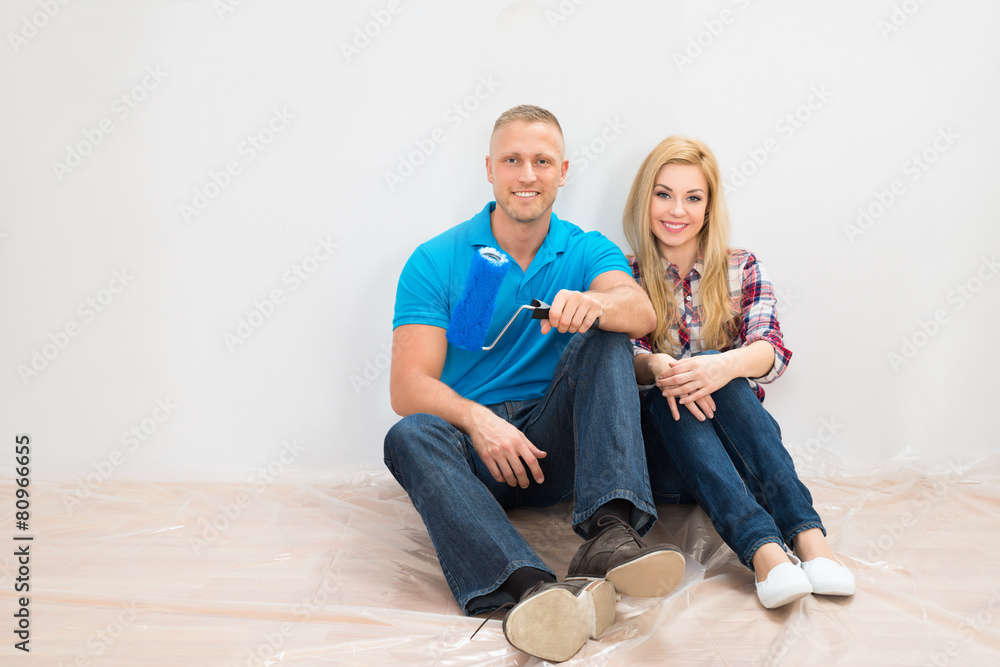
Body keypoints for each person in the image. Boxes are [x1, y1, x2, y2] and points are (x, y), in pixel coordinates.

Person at [384, 105, 685, 662]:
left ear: (563, 171)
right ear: (490, 169)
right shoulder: (439, 259)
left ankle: (608, 534)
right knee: (407, 435)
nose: (527, 175)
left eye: (541, 161)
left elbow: (641, 313)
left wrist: (595, 304)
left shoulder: (585, 247)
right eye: (513, 160)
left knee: (607, 334)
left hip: (556, 444)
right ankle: (532, 589)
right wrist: (478, 421)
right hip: (480, 455)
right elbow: (407, 386)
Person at [622, 136, 856, 609]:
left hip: (741, 462)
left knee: (725, 381)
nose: (677, 210)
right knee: (672, 394)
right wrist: (667, 370)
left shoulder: (741, 266)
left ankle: (809, 541)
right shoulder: (624, 277)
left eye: (693, 197)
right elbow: (622, 361)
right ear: (644, 200)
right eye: (663, 194)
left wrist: (720, 366)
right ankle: (767, 554)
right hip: (665, 465)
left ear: (709, 207)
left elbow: (771, 353)